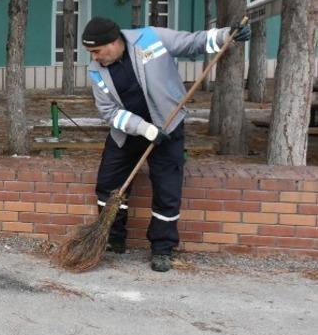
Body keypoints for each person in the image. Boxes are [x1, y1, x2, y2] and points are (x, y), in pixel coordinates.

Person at [82, 17, 250, 272]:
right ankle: (112, 238)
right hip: (128, 133)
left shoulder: (150, 38)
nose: (93, 57)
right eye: (90, 52)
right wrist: (145, 129)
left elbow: (193, 42)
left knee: (166, 189)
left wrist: (229, 34)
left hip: (168, 126)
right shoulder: (97, 70)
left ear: (114, 42)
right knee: (108, 184)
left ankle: (162, 248)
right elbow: (109, 112)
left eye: (96, 51)